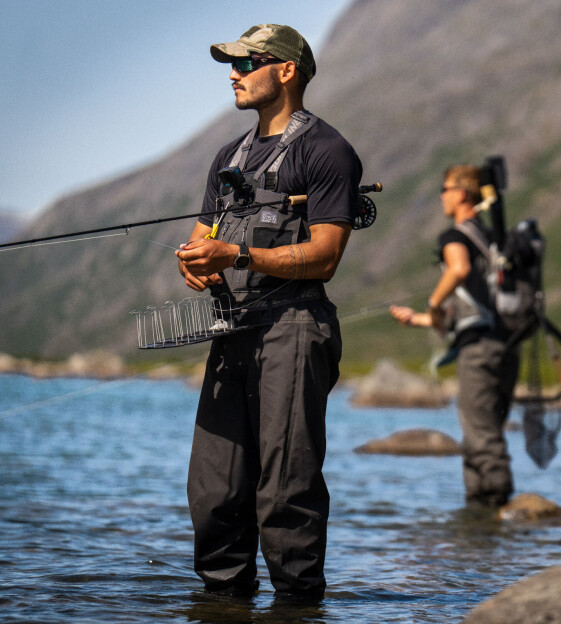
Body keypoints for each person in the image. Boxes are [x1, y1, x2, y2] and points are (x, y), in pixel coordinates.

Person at [175, 24, 362, 599]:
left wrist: (236, 255)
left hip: (295, 327)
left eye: (246, 63)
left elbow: (326, 256)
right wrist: (195, 263)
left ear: (285, 70)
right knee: (213, 490)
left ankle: (297, 606)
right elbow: (201, 237)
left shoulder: (326, 150)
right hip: (233, 329)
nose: (233, 74)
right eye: (231, 65)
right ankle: (222, 605)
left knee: (285, 491)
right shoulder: (227, 156)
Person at [389, 165, 520, 507]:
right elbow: (476, 306)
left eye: (445, 189)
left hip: (479, 350)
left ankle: (492, 512)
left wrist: (433, 303)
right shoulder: (493, 239)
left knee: (480, 433)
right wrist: (421, 319)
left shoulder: (455, 236)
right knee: (488, 428)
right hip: (507, 345)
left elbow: (459, 270)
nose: (441, 196)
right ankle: (481, 510)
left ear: (461, 194)